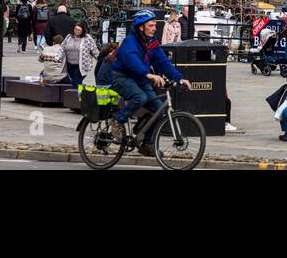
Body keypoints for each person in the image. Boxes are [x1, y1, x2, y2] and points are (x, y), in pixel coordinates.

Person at [110, 10, 191, 154]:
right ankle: (118, 121)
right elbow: (131, 60)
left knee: (159, 110)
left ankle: (146, 143)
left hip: (140, 78)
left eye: (155, 25)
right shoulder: (130, 41)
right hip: (122, 77)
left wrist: (179, 78)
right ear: (141, 27)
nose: (154, 28)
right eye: (150, 25)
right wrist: (148, 75)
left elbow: (163, 62)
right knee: (140, 97)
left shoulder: (152, 42)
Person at [63, 20, 98, 88]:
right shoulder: (69, 37)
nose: (76, 31)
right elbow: (62, 48)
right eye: (75, 29)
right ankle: (80, 95)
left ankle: (75, 97)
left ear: (83, 31)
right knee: (75, 82)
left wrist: (101, 59)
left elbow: (95, 50)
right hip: (70, 65)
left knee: (76, 83)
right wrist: (57, 57)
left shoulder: (87, 38)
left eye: (79, 30)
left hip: (82, 66)